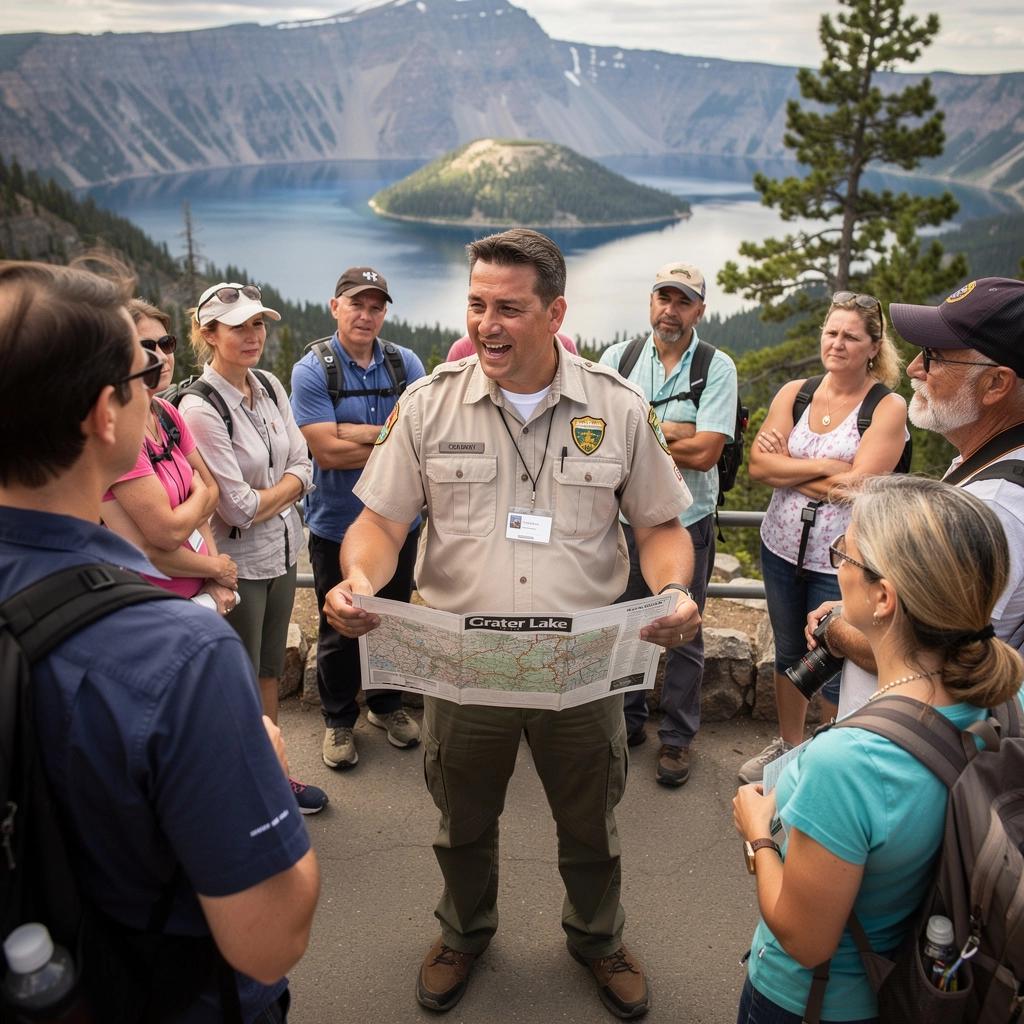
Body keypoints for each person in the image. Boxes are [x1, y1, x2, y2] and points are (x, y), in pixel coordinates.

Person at [323, 228, 699, 1019]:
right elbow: (381, 524)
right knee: (461, 817)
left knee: (591, 820)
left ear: (555, 311)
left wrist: (672, 593)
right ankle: (463, 931)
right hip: (461, 662)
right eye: (476, 304)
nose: (487, 324)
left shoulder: (618, 407)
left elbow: (660, 528)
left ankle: (598, 939)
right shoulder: (427, 406)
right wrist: (358, 579)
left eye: (510, 308)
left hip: (583, 663)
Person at [0, 259, 319, 1021]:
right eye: (144, 370)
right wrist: (267, 767)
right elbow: (270, 937)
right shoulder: (177, 652)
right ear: (104, 417)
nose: (157, 381)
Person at [732, 474, 1023, 1023]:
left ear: (883, 597)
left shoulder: (848, 763)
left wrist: (756, 834)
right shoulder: (1009, 695)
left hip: (819, 1002)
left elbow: (803, 939)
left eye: (846, 552)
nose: (837, 562)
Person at [807, 277, 1024, 700]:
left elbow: (939, 664)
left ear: (997, 384)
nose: (913, 369)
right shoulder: (987, 463)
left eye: (934, 356)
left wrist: (837, 628)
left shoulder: (994, 507)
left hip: (905, 746)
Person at [737, 292, 907, 784]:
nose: (837, 343)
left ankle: (832, 758)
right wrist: (829, 469)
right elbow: (758, 466)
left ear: (873, 346)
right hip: (780, 547)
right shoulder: (797, 393)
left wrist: (791, 466)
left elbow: (859, 488)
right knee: (790, 652)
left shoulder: (887, 406)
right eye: (831, 333)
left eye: (851, 336)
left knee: (838, 657)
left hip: (845, 562)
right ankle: (788, 748)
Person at [181, 281, 328, 815]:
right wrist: (289, 486)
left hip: (285, 553)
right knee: (239, 676)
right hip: (238, 565)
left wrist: (283, 487)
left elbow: (304, 463)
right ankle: (238, 787)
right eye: (238, 326)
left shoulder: (267, 384)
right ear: (208, 333)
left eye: (258, 324)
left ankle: (272, 773)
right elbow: (237, 508)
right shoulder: (201, 408)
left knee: (267, 670)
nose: (253, 335)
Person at [600, 261, 738, 786]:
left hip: (689, 520)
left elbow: (705, 452)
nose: (671, 310)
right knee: (625, 623)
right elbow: (600, 434)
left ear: (699, 310)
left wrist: (643, 430)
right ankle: (629, 722)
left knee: (682, 630)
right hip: (625, 521)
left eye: (683, 301)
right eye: (664, 298)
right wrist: (674, 427)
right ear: (651, 302)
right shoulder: (619, 358)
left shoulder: (715, 366)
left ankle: (677, 739)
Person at [290, 266, 426, 768]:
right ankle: (339, 719)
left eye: (376, 307)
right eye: (357, 304)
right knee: (341, 625)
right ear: (335, 307)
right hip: (335, 522)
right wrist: (385, 437)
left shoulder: (403, 362)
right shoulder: (312, 369)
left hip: (399, 522)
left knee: (391, 617)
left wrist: (353, 431)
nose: (367, 315)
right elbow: (325, 452)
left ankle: (386, 706)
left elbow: (420, 437)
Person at [101, 298, 239, 613]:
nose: (163, 357)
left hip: (198, 598)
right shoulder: (118, 431)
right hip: (147, 606)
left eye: (167, 343)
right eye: (147, 346)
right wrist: (216, 569)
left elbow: (212, 494)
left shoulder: (164, 412)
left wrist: (212, 575)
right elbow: (160, 539)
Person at [446, 330, 577, 361]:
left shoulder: (564, 345)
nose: (486, 327)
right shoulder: (462, 349)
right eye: (478, 305)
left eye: (509, 309)